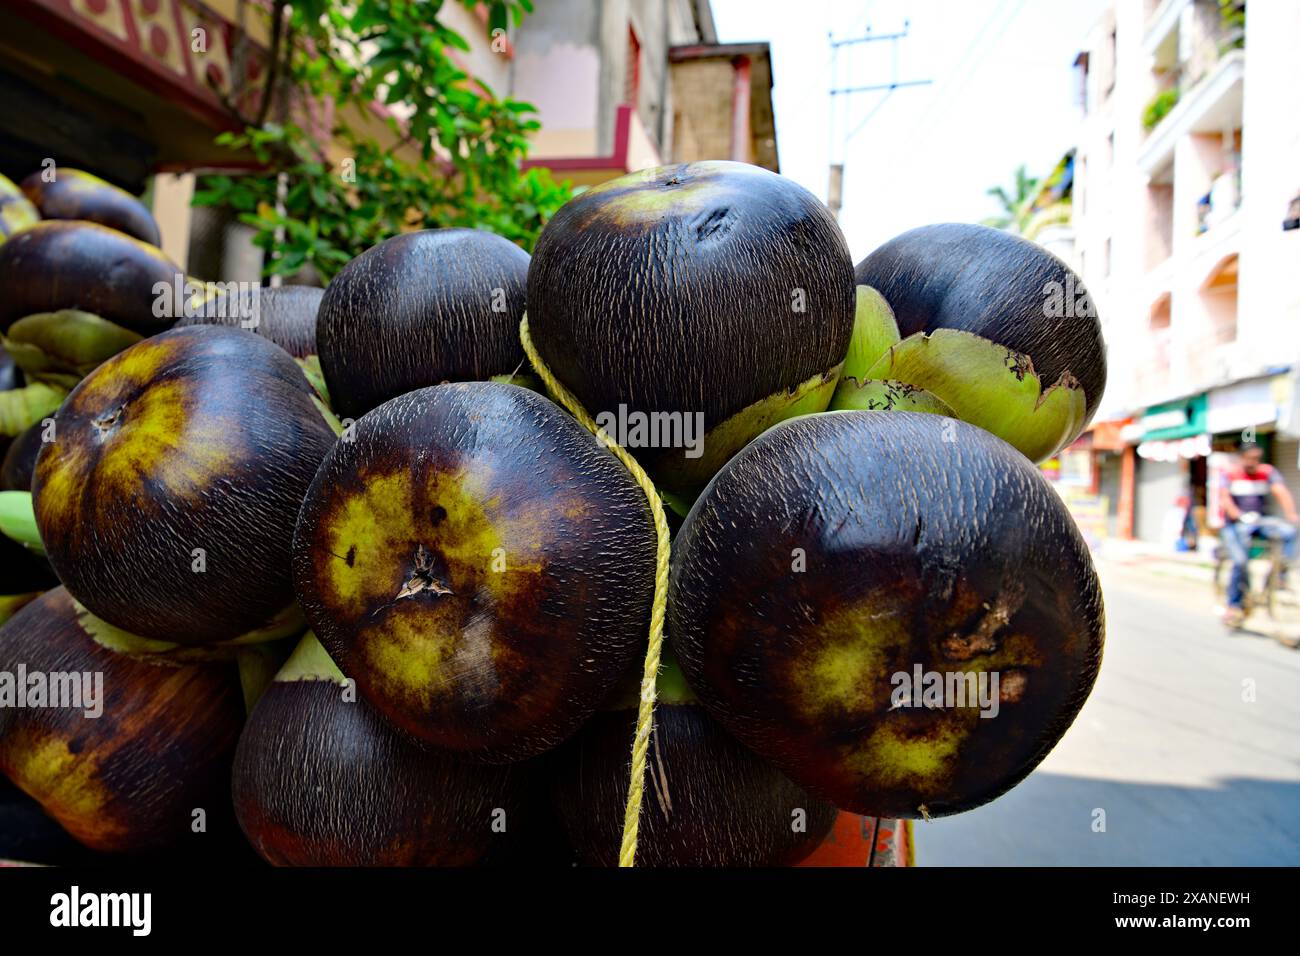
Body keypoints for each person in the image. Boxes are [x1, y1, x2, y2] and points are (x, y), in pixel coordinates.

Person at [1219, 442, 1299, 624]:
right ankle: (1234, 604)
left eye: (1257, 458)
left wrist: (1291, 514)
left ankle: (1279, 576)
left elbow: (1281, 492)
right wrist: (1237, 515)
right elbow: (1224, 499)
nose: (1253, 462)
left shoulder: (1267, 472)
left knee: (1288, 533)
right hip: (1235, 524)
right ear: (1241, 458)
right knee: (1240, 562)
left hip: (1259, 521)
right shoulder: (1230, 473)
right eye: (1250, 458)